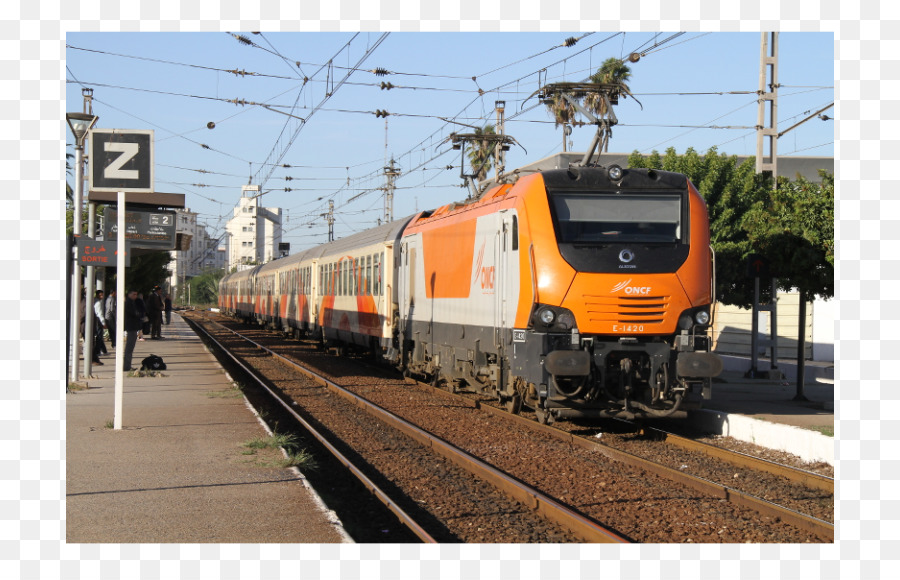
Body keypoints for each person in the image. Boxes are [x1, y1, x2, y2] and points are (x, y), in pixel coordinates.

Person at [122, 289, 142, 372]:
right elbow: (134, 313)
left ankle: (127, 365)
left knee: (130, 348)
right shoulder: (128, 303)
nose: (135, 296)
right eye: (134, 294)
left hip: (132, 327)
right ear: (129, 294)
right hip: (131, 327)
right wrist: (138, 314)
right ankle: (126, 366)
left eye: (136, 294)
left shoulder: (132, 302)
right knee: (129, 348)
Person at [92, 289, 108, 361]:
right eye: (101, 295)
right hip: (98, 320)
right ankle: (98, 351)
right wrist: (103, 323)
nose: (102, 296)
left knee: (99, 336)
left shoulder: (94, 301)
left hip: (95, 319)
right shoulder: (98, 303)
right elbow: (99, 313)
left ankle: (103, 350)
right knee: (99, 336)